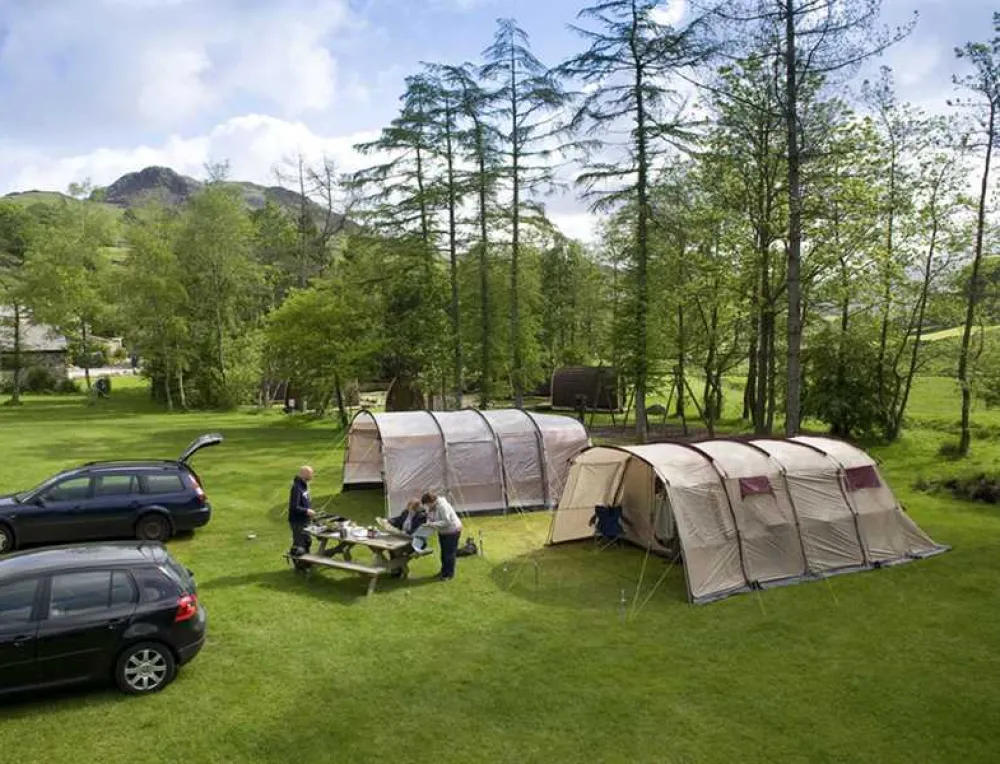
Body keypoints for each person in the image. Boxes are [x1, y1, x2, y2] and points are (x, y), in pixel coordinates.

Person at [421, 491, 462, 581]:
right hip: (443, 532)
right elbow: (430, 518)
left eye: (427, 504)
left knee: (449, 554)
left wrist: (432, 524)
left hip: (452, 531)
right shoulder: (432, 507)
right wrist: (428, 522)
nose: (427, 506)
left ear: (431, 501)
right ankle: (443, 572)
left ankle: (449, 574)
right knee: (443, 554)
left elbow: (447, 522)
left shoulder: (443, 506)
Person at [288, 466, 316, 556]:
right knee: (300, 546)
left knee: (307, 541)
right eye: (310, 474)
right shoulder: (297, 487)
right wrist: (307, 511)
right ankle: (299, 563)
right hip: (297, 522)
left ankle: (307, 561)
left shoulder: (304, 485)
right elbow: (294, 507)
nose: (312, 476)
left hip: (305, 520)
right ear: (304, 474)